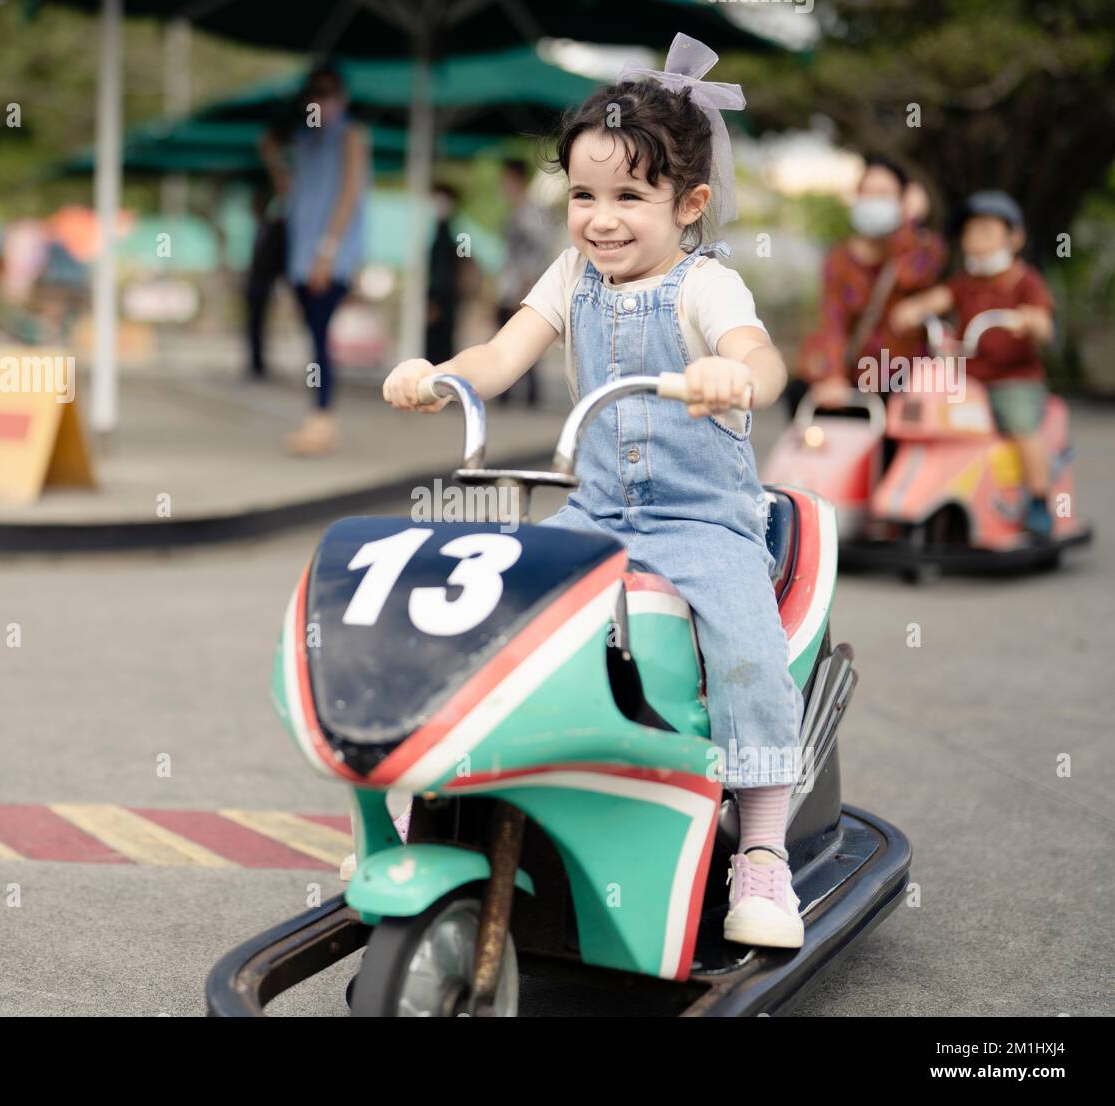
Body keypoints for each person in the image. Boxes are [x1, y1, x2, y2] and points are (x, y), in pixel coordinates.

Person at [383, 33, 806, 949]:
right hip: (597, 508)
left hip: (701, 520)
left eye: (630, 197)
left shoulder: (707, 286)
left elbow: (757, 356)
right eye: (583, 195)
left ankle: (763, 851)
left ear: (689, 204)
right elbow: (500, 355)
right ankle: (442, 793)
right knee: (492, 603)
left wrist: (735, 377)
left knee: (742, 645)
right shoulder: (569, 273)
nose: (601, 219)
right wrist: (435, 373)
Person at [890, 191, 1057, 538]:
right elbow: (938, 299)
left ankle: (1040, 501)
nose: (976, 240)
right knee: (930, 418)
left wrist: (1028, 320)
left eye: (986, 231)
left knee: (1022, 424)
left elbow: (1044, 324)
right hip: (968, 379)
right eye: (970, 232)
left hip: (1013, 380)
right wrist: (913, 309)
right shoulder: (964, 283)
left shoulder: (1025, 282)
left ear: (1015, 238)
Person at [262, 65, 370, 456]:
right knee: (313, 338)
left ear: (340, 96)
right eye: (315, 94)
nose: (321, 103)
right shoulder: (304, 143)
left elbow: (348, 196)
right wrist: (272, 156)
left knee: (321, 339)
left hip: (327, 257)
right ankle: (318, 417)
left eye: (327, 94)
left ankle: (322, 419)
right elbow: (290, 194)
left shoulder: (351, 135)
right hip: (299, 256)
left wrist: (326, 252)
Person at [795, 155, 947, 416]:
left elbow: (910, 274)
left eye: (884, 194)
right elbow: (833, 322)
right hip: (853, 376)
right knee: (803, 398)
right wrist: (833, 376)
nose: (874, 201)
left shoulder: (925, 247)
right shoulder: (839, 260)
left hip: (904, 379)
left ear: (903, 201)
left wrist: (908, 222)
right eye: (867, 192)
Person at [495, 158, 551, 407]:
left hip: (523, 287)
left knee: (522, 338)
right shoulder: (517, 211)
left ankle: (527, 396)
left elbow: (538, 252)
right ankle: (512, 394)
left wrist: (526, 287)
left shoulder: (531, 213)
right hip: (512, 286)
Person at [244, 180, 287, 379]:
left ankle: (258, 364)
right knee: (253, 326)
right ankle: (255, 363)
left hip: (263, 283)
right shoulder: (261, 228)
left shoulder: (274, 228)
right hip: (255, 284)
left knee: (259, 326)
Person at [425, 182, 462, 366]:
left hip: (441, 303)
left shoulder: (446, 233)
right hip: (446, 302)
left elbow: (442, 272)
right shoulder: (447, 231)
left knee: (438, 353)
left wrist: (435, 302)